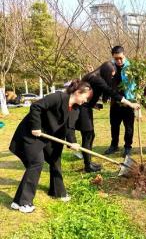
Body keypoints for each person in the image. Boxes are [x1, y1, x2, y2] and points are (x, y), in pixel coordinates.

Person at [9, 79, 92, 213]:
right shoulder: (58, 97)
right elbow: (35, 107)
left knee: (55, 159)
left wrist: (72, 142)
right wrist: (36, 127)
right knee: (36, 162)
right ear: (77, 92)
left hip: (48, 137)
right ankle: (23, 202)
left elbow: (69, 129)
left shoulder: (75, 109)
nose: (86, 100)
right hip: (32, 133)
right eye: (85, 97)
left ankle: (57, 192)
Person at [73, 61, 140, 172]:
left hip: (85, 107)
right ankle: (88, 165)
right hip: (82, 108)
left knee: (90, 135)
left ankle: (88, 163)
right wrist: (130, 103)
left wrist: (93, 104)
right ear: (106, 71)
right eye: (111, 74)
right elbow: (111, 92)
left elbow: (88, 94)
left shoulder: (94, 76)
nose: (112, 77)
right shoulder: (96, 78)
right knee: (88, 135)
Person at [105, 46, 137, 157]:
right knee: (114, 125)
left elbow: (138, 83)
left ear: (124, 55)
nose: (118, 61)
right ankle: (114, 145)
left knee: (129, 127)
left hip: (129, 102)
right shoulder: (110, 67)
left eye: (120, 58)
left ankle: (128, 147)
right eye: (116, 58)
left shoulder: (132, 67)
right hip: (115, 103)